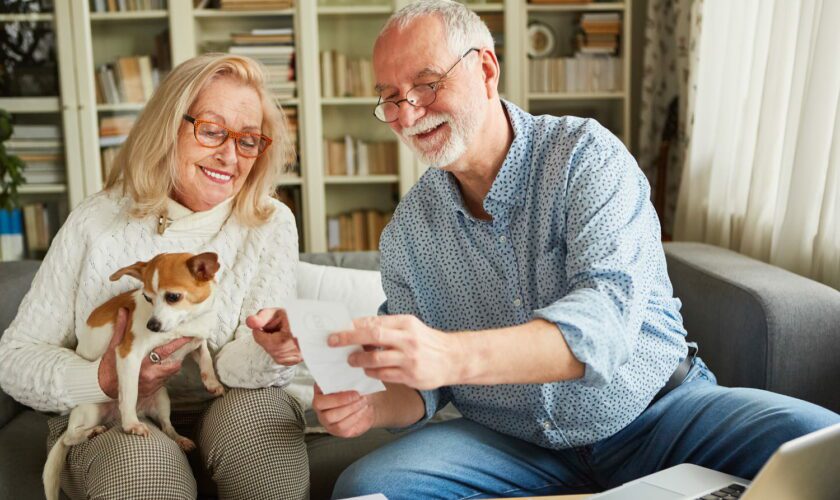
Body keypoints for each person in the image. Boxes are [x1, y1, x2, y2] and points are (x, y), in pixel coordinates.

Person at [303, 1, 840, 498]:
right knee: (366, 487)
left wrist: (449, 353)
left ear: (487, 70)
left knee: (823, 444)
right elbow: (422, 391)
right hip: (510, 444)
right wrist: (370, 407)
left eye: (425, 84)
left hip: (657, 414)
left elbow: (602, 325)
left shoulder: (585, 157)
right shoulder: (406, 233)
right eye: (390, 97)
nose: (408, 112)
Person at [0, 53, 308, 500]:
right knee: (142, 467)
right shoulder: (97, 219)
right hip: (110, 412)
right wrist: (102, 381)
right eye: (212, 130)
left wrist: (271, 351)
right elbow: (14, 358)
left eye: (248, 140)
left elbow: (237, 363)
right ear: (169, 127)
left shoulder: (269, 221)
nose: (229, 154)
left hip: (225, 401)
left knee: (259, 427)